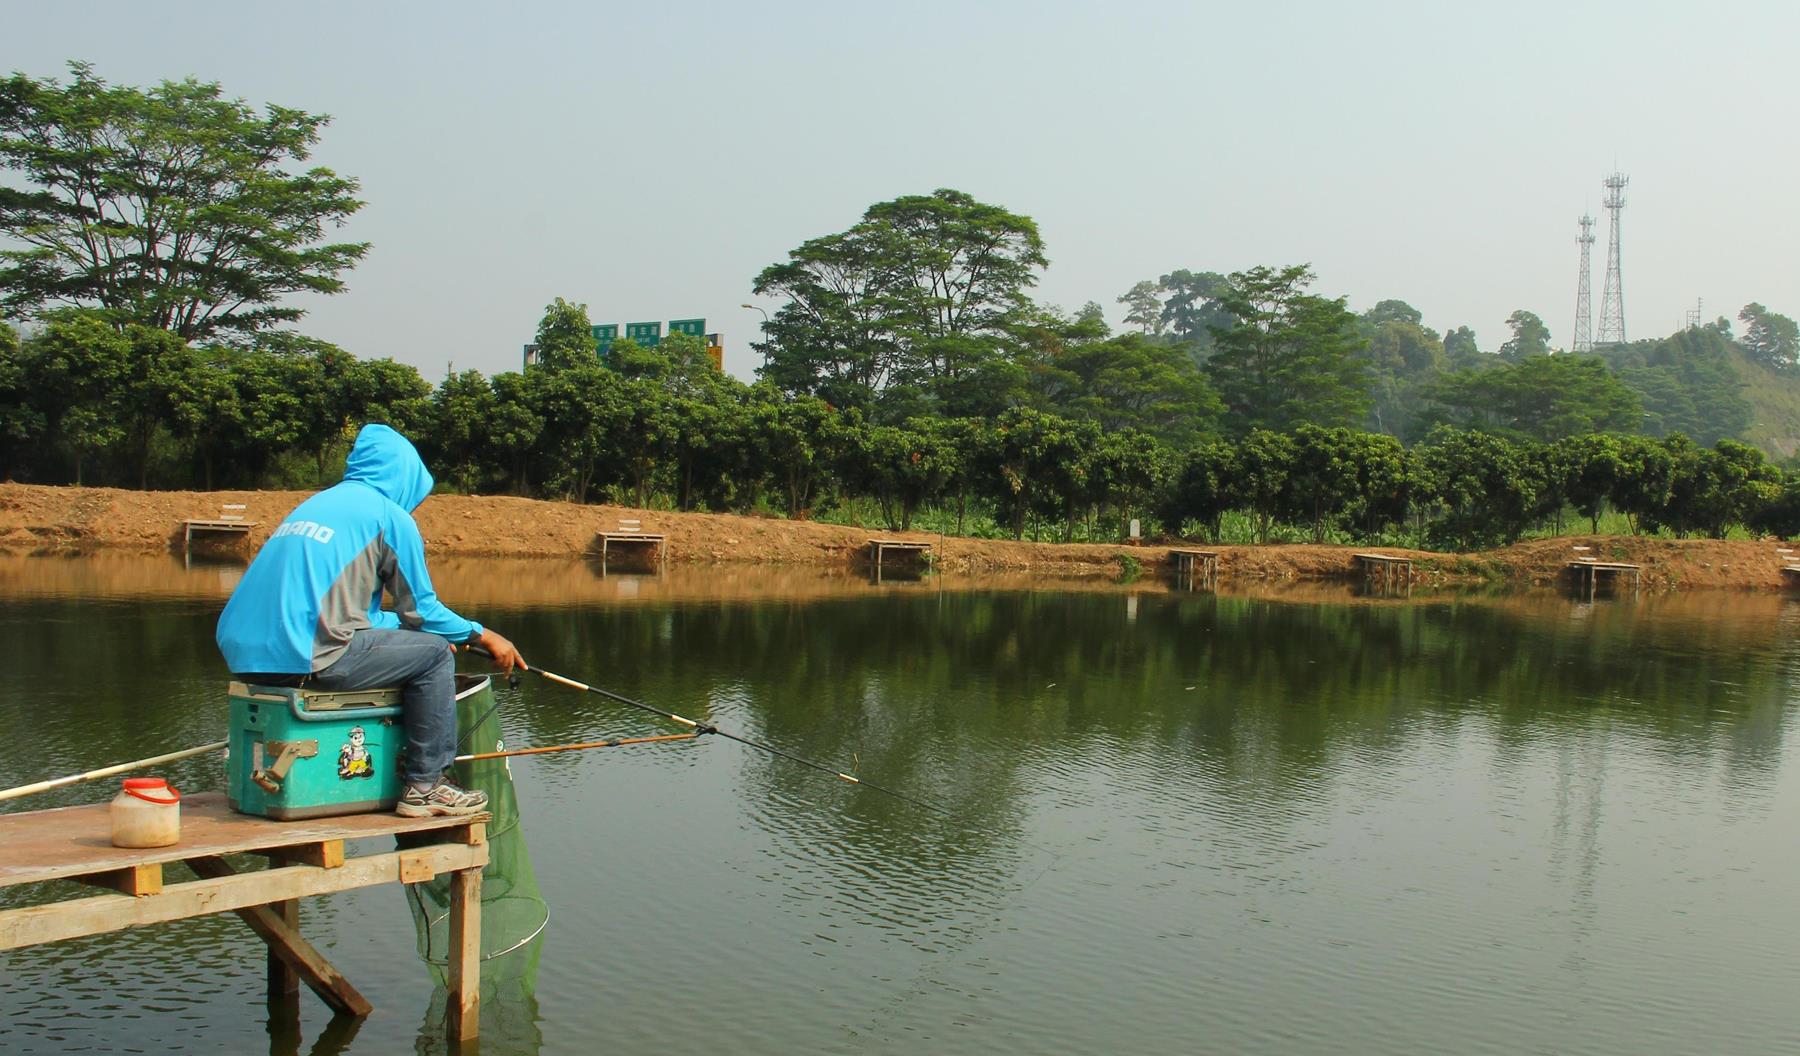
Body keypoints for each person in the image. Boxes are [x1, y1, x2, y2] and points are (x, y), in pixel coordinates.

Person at [217, 423, 525, 817]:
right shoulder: (388, 515)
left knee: (423, 645)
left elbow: (357, 614)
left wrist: (407, 637)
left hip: (247, 658)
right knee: (433, 655)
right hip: (307, 655)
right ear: (406, 476)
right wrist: (484, 635)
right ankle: (425, 786)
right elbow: (424, 612)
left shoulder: (317, 506)